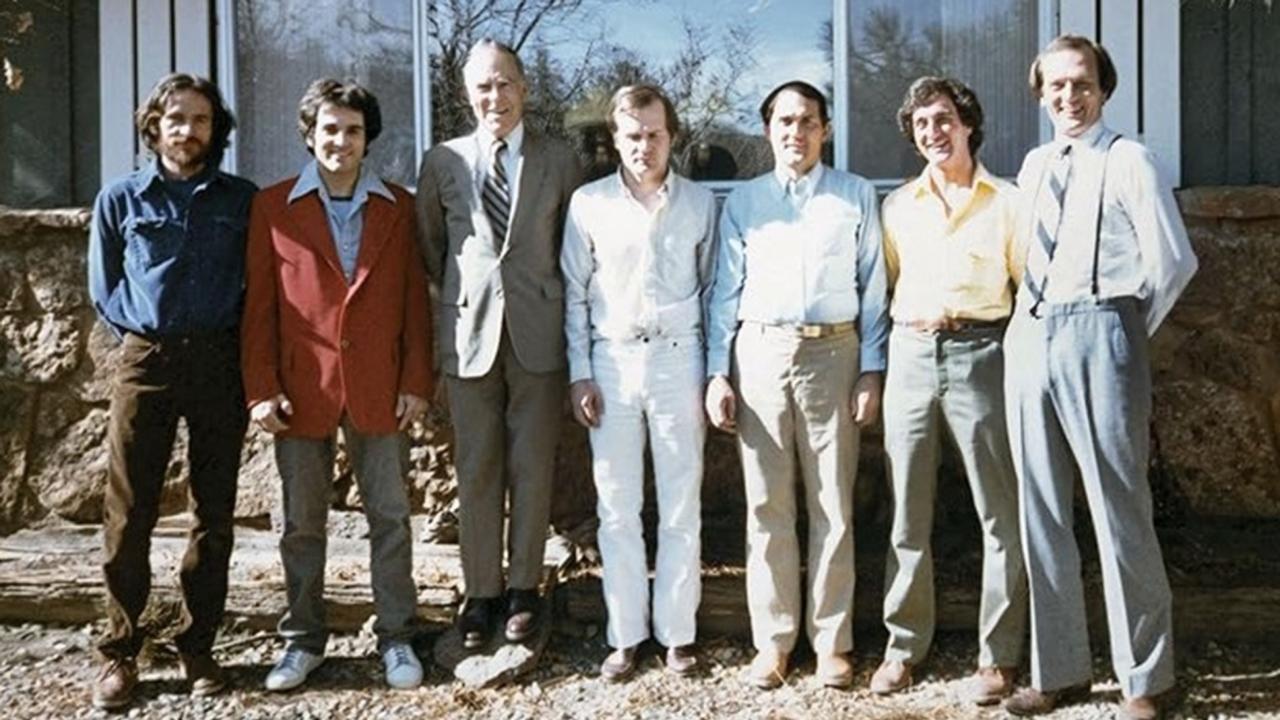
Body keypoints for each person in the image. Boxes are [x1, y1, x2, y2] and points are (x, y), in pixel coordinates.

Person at [1002, 36, 1197, 720]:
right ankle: (1059, 670)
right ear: (1041, 95)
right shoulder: (1034, 166)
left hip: (1103, 327)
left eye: (1082, 83)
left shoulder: (1130, 159)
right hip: (1031, 331)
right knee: (1042, 509)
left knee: (1119, 509)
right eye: (1056, 86)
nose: (1069, 96)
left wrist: (1122, 333)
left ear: (1104, 89)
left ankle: (1146, 678)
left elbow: (1172, 263)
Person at [241, 78, 432, 691]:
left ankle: (397, 636)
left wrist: (415, 381)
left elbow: (414, 302)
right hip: (302, 390)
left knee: (391, 518)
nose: (341, 141)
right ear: (309, 134)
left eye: (353, 130)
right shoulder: (273, 207)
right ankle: (302, 640)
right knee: (301, 524)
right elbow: (261, 309)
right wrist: (261, 388)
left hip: (379, 385)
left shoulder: (398, 207)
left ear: (367, 138)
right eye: (329, 129)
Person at [704, 80, 889, 690]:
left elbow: (873, 290)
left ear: (825, 130)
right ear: (768, 130)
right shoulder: (745, 202)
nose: (796, 132)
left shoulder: (854, 195)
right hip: (760, 352)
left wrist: (872, 368)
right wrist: (717, 372)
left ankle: (832, 641)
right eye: (785, 121)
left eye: (808, 121)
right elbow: (724, 292)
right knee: (767, 503)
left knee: (833, 502)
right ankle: (774, 640)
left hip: (834, 351)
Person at [87, 73, 256, 710]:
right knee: (129, 510)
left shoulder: (241, 200)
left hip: (218, 361)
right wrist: (143, 334)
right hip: (147, 361)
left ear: (216, 130)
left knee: (213, 512)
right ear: (154, 125)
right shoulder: (120, 199)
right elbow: (105, 286)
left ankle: (198, 646)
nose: (188, 131)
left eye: (201, 120)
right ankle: (120, 651)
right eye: (176, 118)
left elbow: (257, 282)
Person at [416, 39, 582, 651]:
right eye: (483, 86)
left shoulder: (559, 160)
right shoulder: (443, 161)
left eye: (505, 83)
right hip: (470, 334)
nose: (495, 96)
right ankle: (480, 593)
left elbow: (571, 248)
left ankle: (523, 590)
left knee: (532, 465)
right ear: (467, 94)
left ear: (524, 88)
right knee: (477, 466)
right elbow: (432, 249)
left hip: (538, 333)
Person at [869, 76, 1027, 705]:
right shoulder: (897, 207)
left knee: (999, 511)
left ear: (967, 125)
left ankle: (999, 655)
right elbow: (888, 282)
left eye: (943, 119)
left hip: (981, 352)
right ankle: (904, 646)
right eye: (921, 124)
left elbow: (1026, 290)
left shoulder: (1008, 202)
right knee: (907, 509)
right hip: (911, 352)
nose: (933, 132)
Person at [561, 84, 715, 682]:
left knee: (681, 503)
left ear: (671, 137)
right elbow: (575, 295)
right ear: (614, 138)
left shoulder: (699, 203)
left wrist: (713, 372)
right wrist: (580, 373)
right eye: (632, 135)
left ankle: (678, 634)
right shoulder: (589, 204)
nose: (643, 146)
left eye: (654, 134)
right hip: (613, 362)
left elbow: (711, 290)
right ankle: (625, 635)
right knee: (617, 507)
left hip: (679, 358)